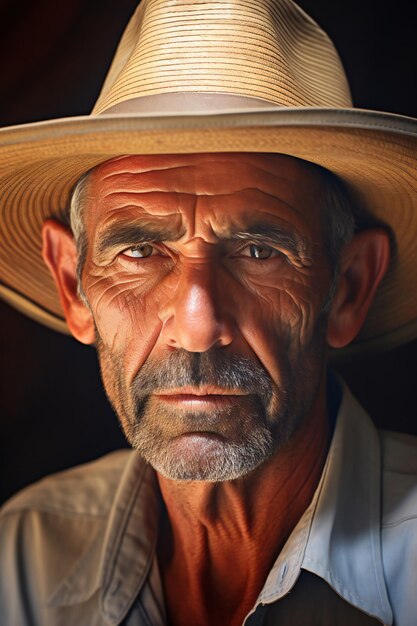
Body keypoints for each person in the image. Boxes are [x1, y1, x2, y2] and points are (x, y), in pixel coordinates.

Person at [0, 0, 416, 624]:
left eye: (258, 251)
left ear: (349, 288)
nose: (198, 327)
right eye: (139, 251)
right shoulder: (20, 560)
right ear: (72, 285)